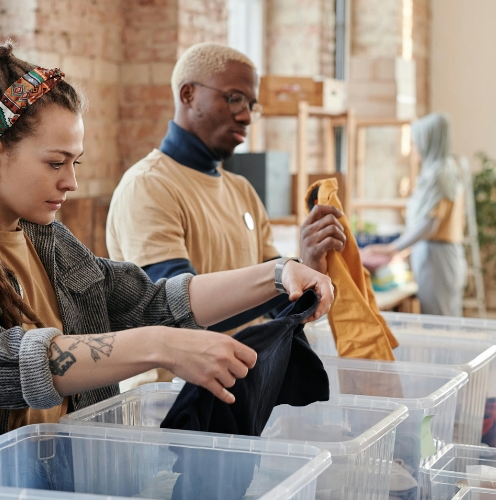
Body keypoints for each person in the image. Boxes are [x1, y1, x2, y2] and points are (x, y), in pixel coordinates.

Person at [0, 38, 333, 500]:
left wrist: (277, 276)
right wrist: (158, 345)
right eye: (57, 162)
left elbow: (146, 301)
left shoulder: (44, 237)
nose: (72, 182)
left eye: (75, 162)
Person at [106, 44, 345, 378]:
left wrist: (307, 267)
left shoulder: (241, 190)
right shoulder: (149, 186)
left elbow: (277, 305)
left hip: (235, 388)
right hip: (167, 403)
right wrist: (282, 272)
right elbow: (174, 312)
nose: (246, 116)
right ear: (188, 94)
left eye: (252, 105)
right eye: (234, 98)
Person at [361, 113, 467, 316]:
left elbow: (429, 224)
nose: (413, 149)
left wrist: (392, 248)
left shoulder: (438, 174)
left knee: (439, 321)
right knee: (446, 318)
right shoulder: (447, 169)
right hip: (442, 254)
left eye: (416, 143)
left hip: (436, 256)